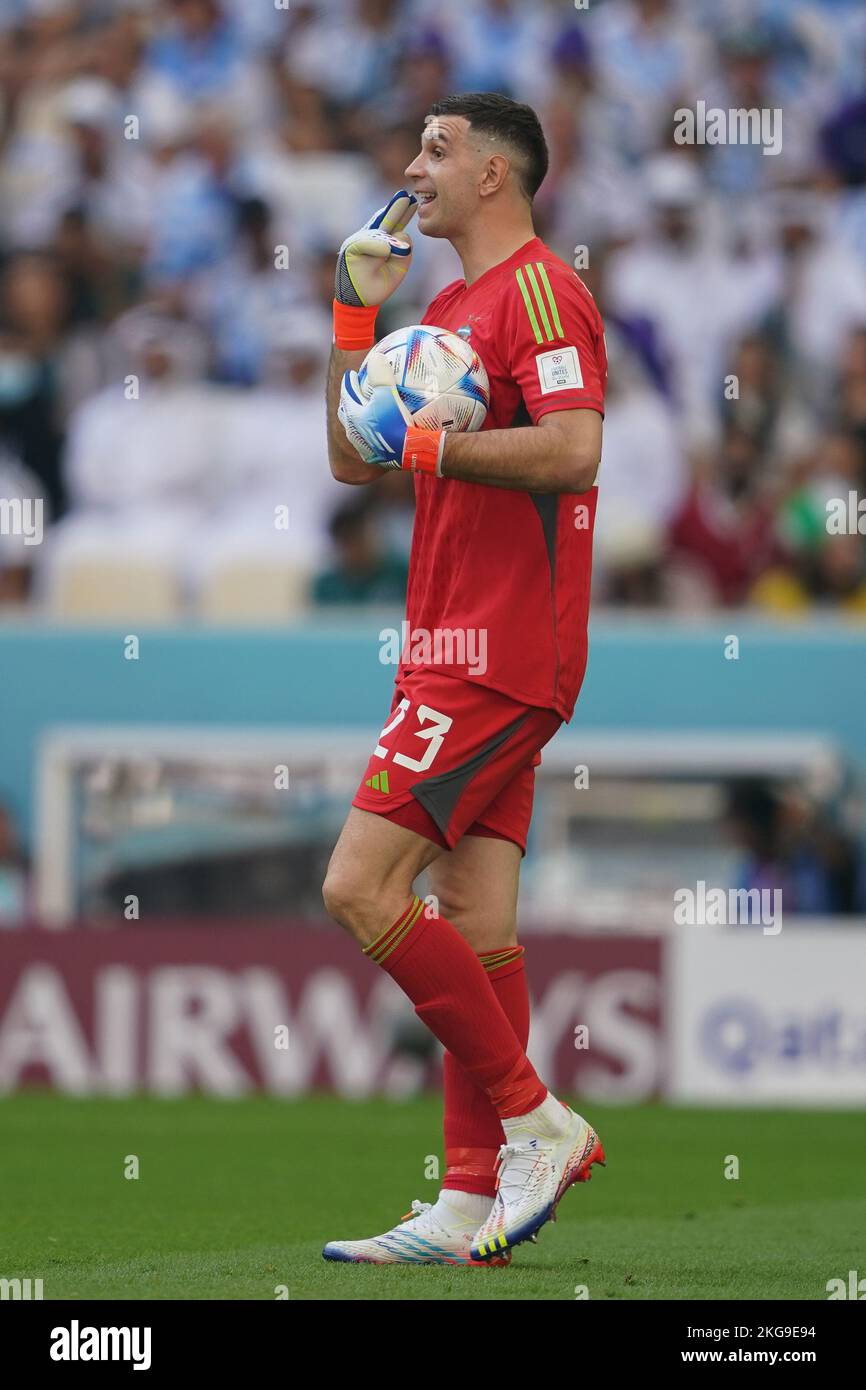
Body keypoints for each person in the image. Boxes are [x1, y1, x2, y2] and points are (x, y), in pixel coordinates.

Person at [321, 92, 607, 1266]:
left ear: (495, 172)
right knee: (474, 918)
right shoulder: (440, 307)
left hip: (499, 650)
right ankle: (464, 1199)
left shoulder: (539, 288)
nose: (411, 165)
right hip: (443, 643)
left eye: (436, 148)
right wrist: (350, 317)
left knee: (356, 887)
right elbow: (349, 462)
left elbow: (575, 445)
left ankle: (534, 1117)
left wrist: (431, 442)